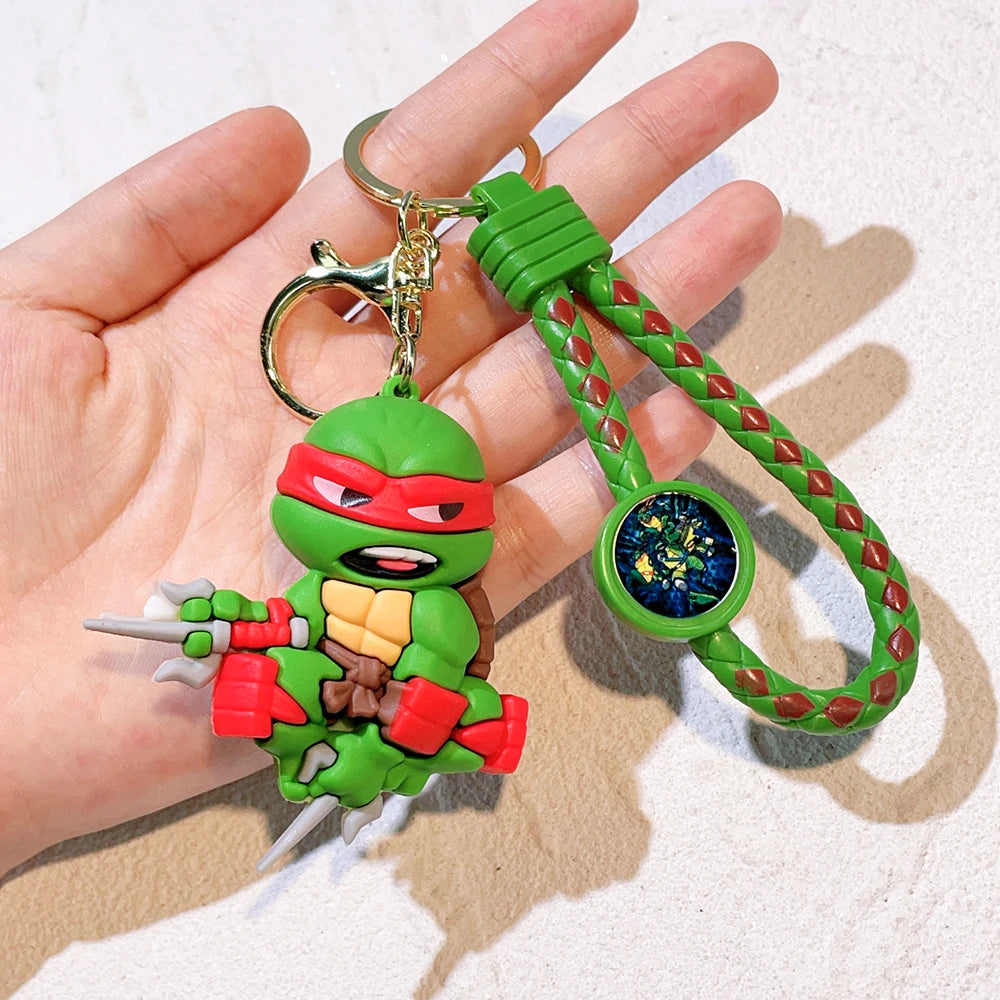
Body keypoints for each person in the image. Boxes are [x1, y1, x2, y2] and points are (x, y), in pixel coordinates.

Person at [0, 0, 781, 877]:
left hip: (396, 716)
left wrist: (412, 713)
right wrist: (218, 622)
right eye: (355, 500)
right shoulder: (322, 589)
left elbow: (437, 671)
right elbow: (277, 625)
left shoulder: (439, 608)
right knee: (270, 686)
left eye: (435, 512)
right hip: (318, 691)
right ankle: (325, 757)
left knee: (396, 730)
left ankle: (362, 768)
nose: (395, 529)